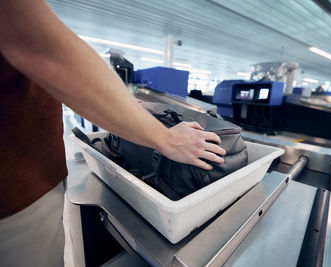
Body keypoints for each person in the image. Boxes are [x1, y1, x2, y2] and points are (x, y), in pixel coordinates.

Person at [0, 0, 226, 266]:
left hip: (27, 174)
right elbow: (40, 48)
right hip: (14, 192)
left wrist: (129, 111)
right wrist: (166, 138)